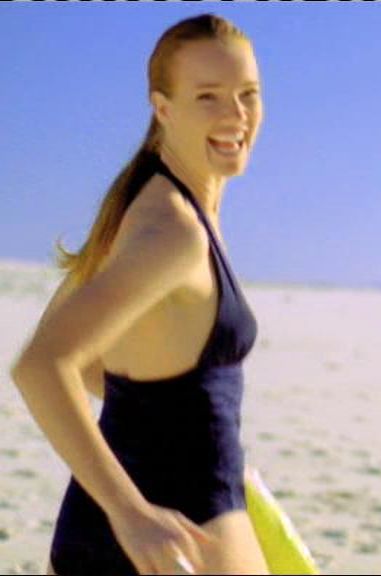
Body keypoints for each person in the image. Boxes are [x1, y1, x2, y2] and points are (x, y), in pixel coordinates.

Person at [8, 13, 269, 575]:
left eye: (248, 93)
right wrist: (131, 513)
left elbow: (88, 365)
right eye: (208, 96)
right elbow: (42, 365)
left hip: (98, 525)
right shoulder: (173, 231)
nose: (236, 114)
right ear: (163, 108)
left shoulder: (141, 205)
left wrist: (198, 432)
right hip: (181, 525)